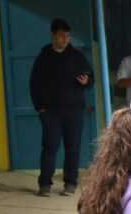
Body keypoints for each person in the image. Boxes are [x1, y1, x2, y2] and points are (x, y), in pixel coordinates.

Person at [30, 18, 94, 197]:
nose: (65, 39)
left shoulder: (78, 57)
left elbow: (91, 78)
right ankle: (44, 184)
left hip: (74, 110)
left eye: (67, 35)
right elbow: (33, 84)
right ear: (53, 35)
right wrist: (40, 107)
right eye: (61, 35)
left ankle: (70, 183)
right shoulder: (43, 58)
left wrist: (86, 81)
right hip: (51, 111)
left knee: (73, 148)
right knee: (50, 147)